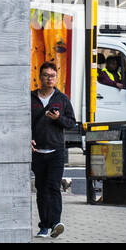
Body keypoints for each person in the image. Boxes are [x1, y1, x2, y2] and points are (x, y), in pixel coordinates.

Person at [30, 61, 76, 239]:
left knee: (54, 187)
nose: (49, 79)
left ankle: (56, 223)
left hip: (56, 151)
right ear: (40, 77)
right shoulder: (32, 98)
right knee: (42, 190)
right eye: (46, 75)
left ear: (56, 78)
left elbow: (71, 122)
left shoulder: (62, 99)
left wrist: (58, 119)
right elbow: (23, 122)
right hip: (37, 152)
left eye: (53, 76)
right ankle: (44, 226)